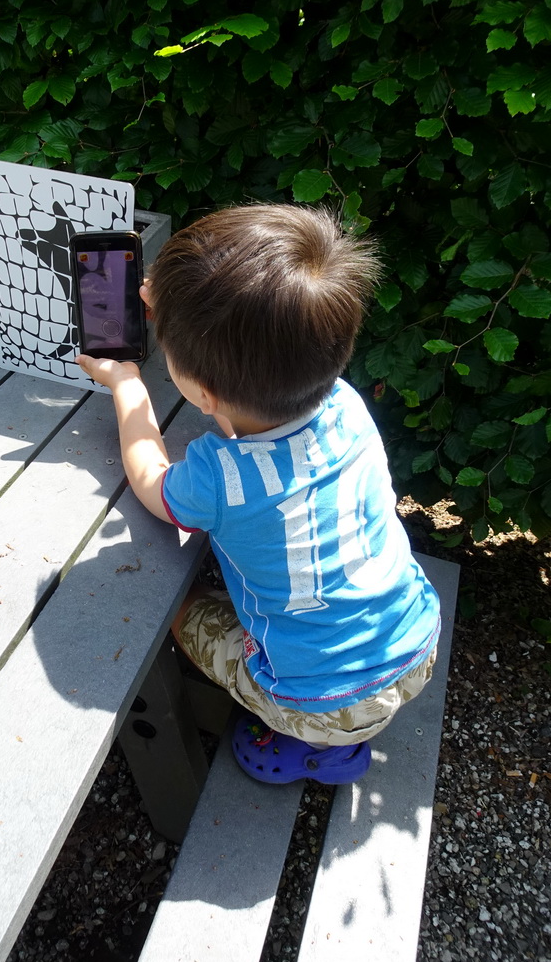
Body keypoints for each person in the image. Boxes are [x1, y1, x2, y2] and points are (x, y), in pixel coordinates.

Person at [76, 204, 440, 785]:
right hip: (415, 645)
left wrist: (127, 385)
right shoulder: (345, 403)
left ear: (206, 393)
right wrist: (177, 314)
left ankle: (312, 747)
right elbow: (251, 398)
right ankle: (338, 729)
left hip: (319, 703)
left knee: (174, 611)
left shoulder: (220, 477)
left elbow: (150, 482)